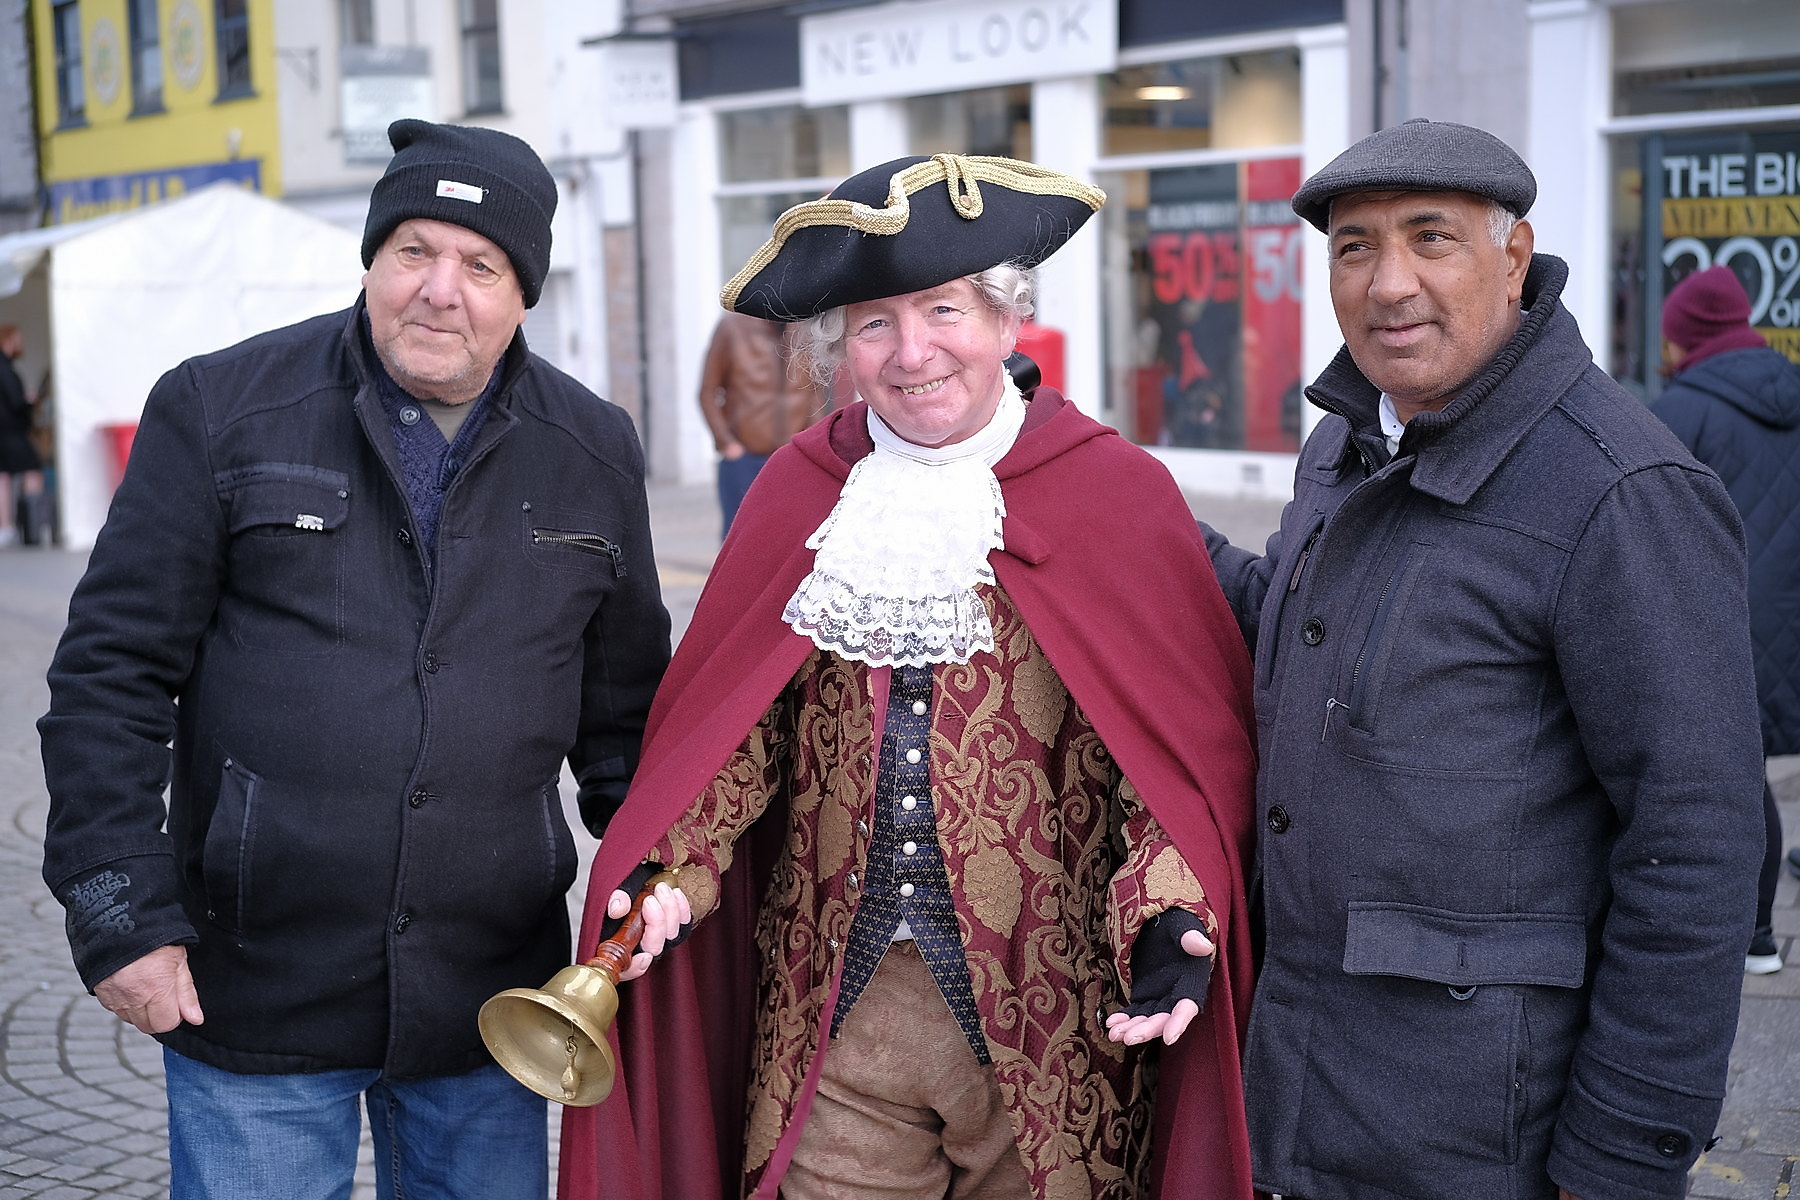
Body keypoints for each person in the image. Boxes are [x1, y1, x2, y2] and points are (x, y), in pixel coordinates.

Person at [555, 154, 1260, 1200]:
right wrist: (674, 868)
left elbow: (1167, 761)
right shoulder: (801, 489)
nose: (912, 351)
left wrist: (1170, 909)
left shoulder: (1117, 494)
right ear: (837, 348)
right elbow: (732, 732)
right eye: (875, 323)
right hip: (836, 1025)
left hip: (1054, 1039)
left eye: (943, 310)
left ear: (1008, 318)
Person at [38, 119, 670, 1199]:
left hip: (490, 1007)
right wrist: (117, 916)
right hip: (255, 984)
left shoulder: (593, 449)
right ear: (371, 260)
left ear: (525, 295)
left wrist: (662, 865)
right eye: (412, 250)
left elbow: (627, 723)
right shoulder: (220, 408)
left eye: (480, 264)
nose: (439, 288)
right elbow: (110, 677)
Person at [1201, 118, 1765, 1200]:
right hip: (1304, 1097)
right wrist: (1125, 509)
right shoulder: (1350, 439)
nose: (1389, 282)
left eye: (1432, 239)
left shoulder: (1621, 492)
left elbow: (1696, 848)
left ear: (1514, 256)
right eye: (1355, 247)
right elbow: (1289, 622)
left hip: (1482, 1139)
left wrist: (1614, 1164)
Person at [1652, 264, 1800, 975]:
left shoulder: (1678, 413)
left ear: (1686, 338)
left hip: (1730, 613)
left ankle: (1759, 937)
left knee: (1746, 774)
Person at [698, 309, 830, 534]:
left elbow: (814, 395)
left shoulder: (805, 332)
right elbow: (708, 392)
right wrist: (727, 444)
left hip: (793, 459)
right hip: (744, 459)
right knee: (740, 541)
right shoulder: (732, 328)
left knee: (791, 538)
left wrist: (813, 446)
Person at [0, 323, 44, 546]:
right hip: (10, 431)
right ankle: (29, 524)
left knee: (4, 476)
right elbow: (15, 402)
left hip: (4, 431)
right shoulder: (4, 369)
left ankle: (6, 527)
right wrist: (28, 400)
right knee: (32, 470)